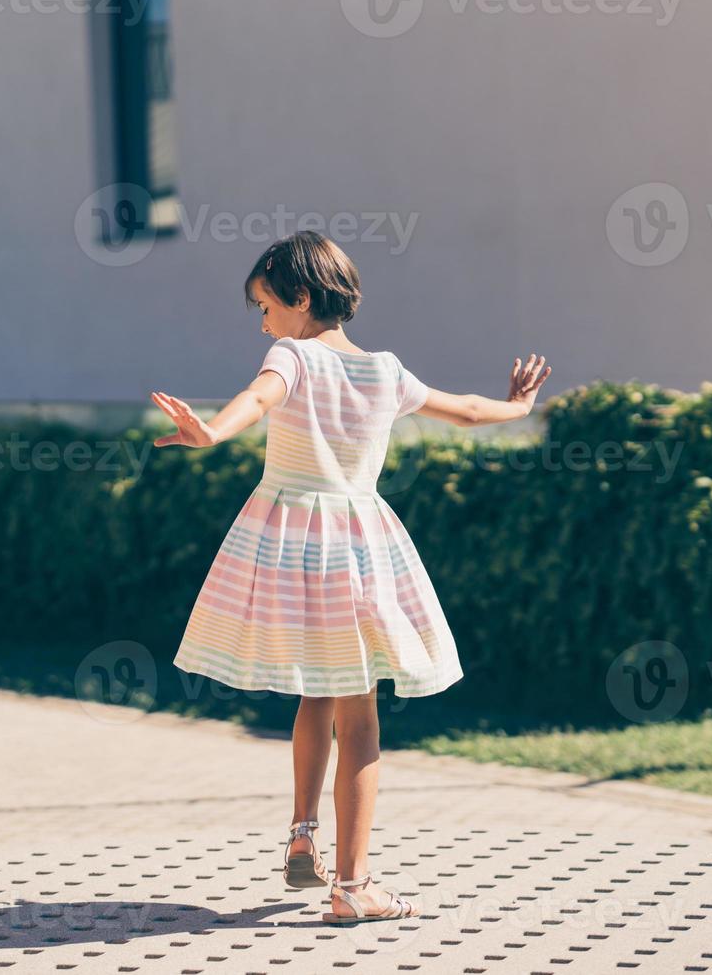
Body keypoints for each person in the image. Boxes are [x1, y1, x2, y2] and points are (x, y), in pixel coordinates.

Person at [150, 230, 550, 924]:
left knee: (317, 692)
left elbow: (259, 397)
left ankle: (307, 837)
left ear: (301, 297)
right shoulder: (386, 371)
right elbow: (466, 410)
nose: (263, 320)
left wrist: (213, 433)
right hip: (358, 550)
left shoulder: (291, 355)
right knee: (359, 715)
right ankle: (354, 885)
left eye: (265, 305)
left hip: (291, 545)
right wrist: (518, 408)